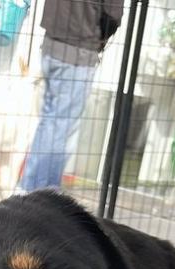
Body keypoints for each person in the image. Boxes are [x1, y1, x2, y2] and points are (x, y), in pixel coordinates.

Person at [18, 0, 124, 193]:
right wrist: (99, 38)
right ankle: (43, 194)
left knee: (49, 123)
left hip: (51, 43)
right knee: (61, 129)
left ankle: (28, 187)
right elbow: (113, 14)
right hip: (78, 51)